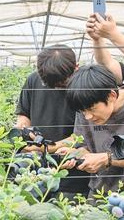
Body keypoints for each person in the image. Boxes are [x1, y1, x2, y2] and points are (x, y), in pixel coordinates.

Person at [56, 65, 124, 195]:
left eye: (91, 109)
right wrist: (75, 154)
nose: (87, 117)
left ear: (111, 95)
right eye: (82, 111)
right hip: (100, 192)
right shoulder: (85, 107)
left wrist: (107, 158)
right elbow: (85, 146)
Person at [14, 45, 88, 197]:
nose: (56, 89)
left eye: (61, 84)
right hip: (36, 174)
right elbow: (24, 115)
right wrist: (24, 134)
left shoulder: (86, 86)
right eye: (50, 85)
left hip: (71, 174)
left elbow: (84, 134)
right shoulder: (33, 80)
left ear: (76, 68)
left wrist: (48, 148)